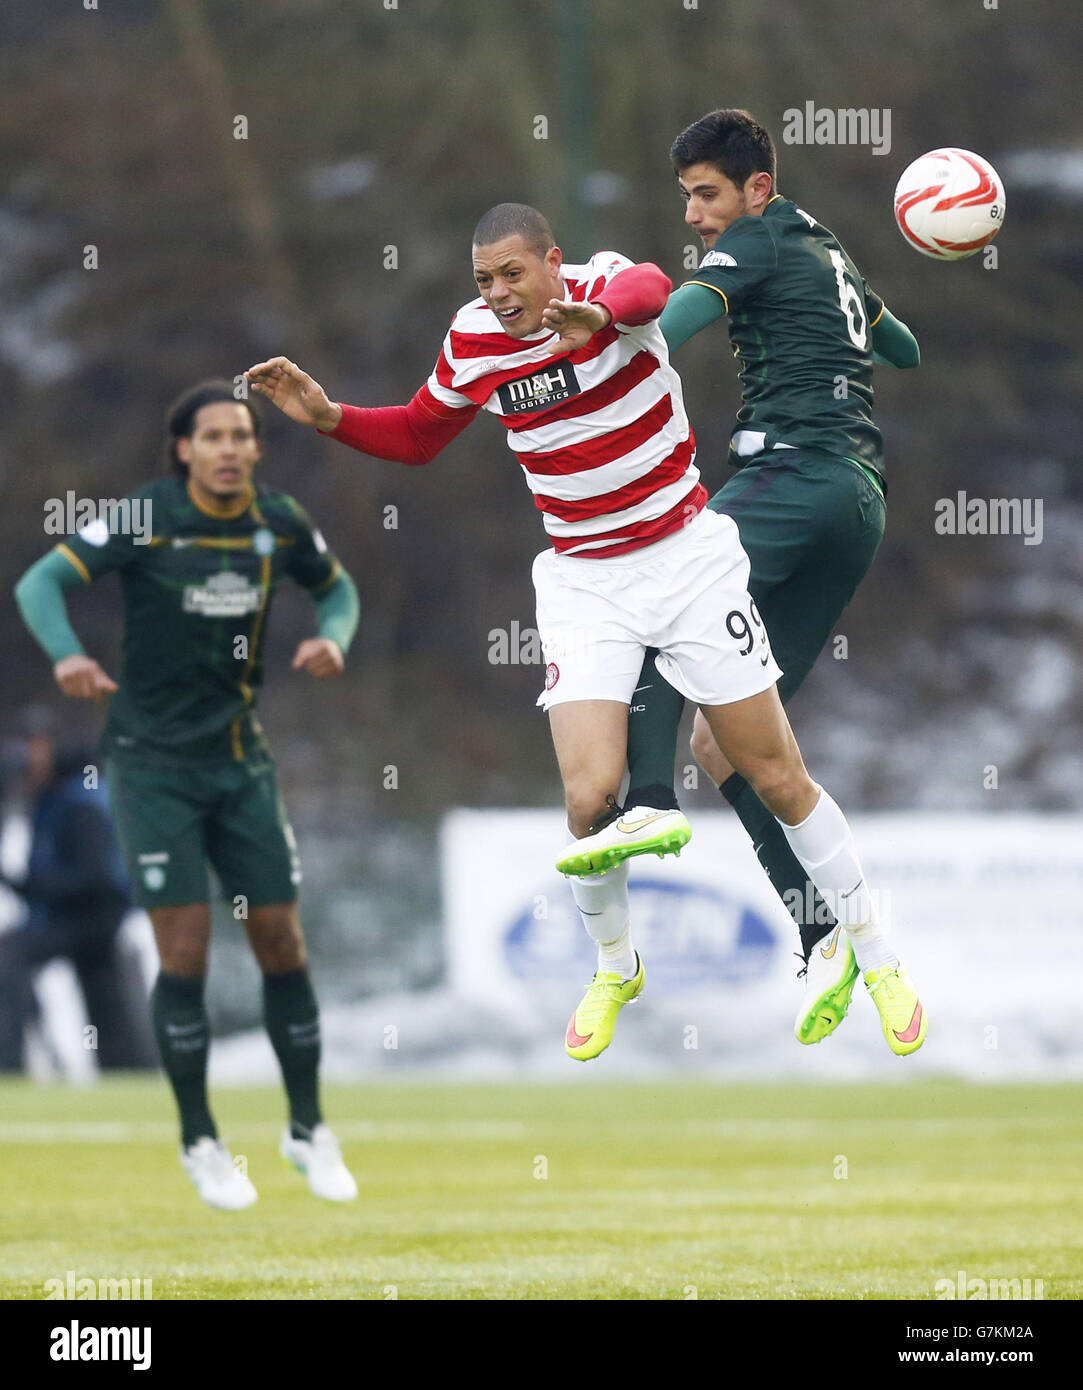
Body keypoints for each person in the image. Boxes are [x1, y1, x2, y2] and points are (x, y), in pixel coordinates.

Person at [246, 202, 925, 1063]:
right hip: (583, 581)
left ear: (552, 262)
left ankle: (877, 952)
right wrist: (329, 416)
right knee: (584, 799)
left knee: (774, 773)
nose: (496, 294)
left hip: (687, 559)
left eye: (511, 274)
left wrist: (599, 318)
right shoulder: (473, 340)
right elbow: (421, 433)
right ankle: (616, 965)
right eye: (483, 280)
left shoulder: (609, 288)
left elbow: (649, 290)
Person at [14, 380, 362, 1209]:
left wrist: (334, 639)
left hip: (241, 762)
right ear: (184, 449)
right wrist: (65, 655)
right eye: (212, 436)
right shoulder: (143, 516)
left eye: (242, 434)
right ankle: (201, 1139)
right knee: (185, 953)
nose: (231, 447)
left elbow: (338, 590)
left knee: (280, 939)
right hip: (151, 767)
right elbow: (39, 586)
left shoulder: (277, 520)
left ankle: (308, 1128)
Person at [623, 108, 923, 1050]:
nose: (698, 216)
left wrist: (617, 334)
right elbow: (902, 348)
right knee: (728, 743)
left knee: (652, 602)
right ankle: (825, 929)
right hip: (857, 503)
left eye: (707, 195)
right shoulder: (826, 249)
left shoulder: (752, 243)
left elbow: (674, 323)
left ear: (757, 187)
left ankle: (643, 808)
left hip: (789, 476)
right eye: (687, 200)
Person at [0, 726, 155, 1073]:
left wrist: (34, 886)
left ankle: (8, 1066)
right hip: (88, 919)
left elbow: (95, 876)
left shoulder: (78, 800)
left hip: (93, 920)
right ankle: (125, 1072)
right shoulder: (54, 798)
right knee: (106, 1006)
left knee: (8, 956)